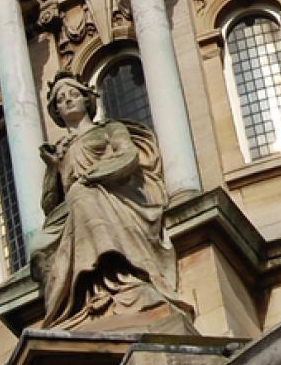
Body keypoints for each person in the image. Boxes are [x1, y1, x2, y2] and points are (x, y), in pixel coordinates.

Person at [29, 74, 195, 332]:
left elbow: (128, 156)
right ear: (57, 112)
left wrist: (93, 176)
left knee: (81, 196)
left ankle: (119, 282)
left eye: (73, 94)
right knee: (39, 249)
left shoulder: (109, 129)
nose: (68, 100)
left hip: (111, 192)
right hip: (73, 208)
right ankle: (81, 298)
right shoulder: (60, 149)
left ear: (87, 99)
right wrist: (53, 169)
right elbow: (50, 204)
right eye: (61, 100)